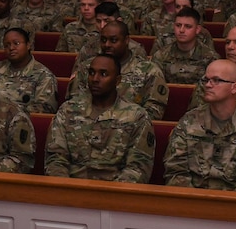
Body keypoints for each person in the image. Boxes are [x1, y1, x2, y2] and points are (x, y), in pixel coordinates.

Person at [164, 59, 236, 193]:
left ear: (234, 88)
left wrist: (226, 205)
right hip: (192, 202)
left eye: (216, 80)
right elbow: (175, 170)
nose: (208, 85)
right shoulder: (189, 122)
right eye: (206, 80)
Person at [46, 54, 155, 182]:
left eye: (103, 74)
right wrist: (66, 189)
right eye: (91, 73)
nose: (95, 79)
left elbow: (138, 167)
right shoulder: (68, 110)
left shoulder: (136, 117)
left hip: (116, 194)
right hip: (71, 189)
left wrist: (108, 196)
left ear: (117, 80)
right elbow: (55, 159)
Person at [68, 21, 168, 120]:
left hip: (128, 128)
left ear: (126, 40)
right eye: (103, 40)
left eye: (113, 40)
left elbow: (153, 112)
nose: (107, 44)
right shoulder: (87, 67)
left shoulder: (149, 71)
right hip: (86, 126)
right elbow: (73, 103)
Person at [0, 28, 58, 114]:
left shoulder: (43, 75)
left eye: (16, 43)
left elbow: (46, 108)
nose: (11, 48)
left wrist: (9, 110)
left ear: (28, 45)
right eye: (7, 45)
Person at [152, 7, 219, 84]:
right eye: (178, 25)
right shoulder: (161, 56)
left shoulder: (211, 58)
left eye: (188, 26)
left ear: (197, 29)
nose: (181, 30)